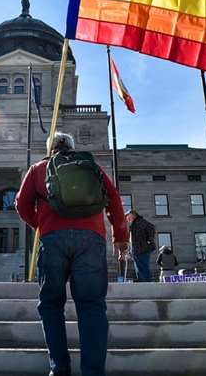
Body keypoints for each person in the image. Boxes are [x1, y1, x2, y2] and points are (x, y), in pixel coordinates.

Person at [16, 131, 128, 376]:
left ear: (51, 148)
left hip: (53, 240)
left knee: (51, 305)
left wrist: (40, 224)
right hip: (91, 240)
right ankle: (93, 371)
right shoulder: (92, 167)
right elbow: (114, 200)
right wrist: (120, 237)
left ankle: (60, 368)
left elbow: (21, 204)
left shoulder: (38, 168)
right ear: (72, 147)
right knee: (92, 306)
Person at [127, 210, 156, 282]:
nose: (127, 218)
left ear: (133, 215)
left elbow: (151, 227)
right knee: (140, 269)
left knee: (142, 269)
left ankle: (146, 285)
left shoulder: (140, 222)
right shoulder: (134, 224)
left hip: (142, 249)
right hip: (137, 250)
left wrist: (150, 240)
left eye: (128, 216)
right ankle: (144, 284)